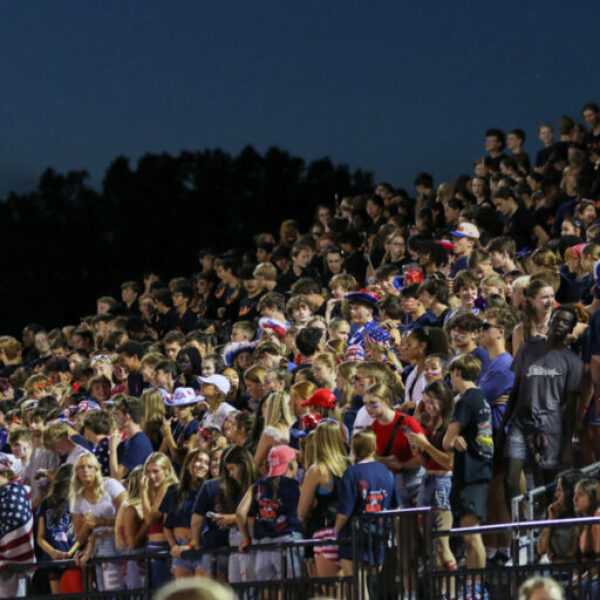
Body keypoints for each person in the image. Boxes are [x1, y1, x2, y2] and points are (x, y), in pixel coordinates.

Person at [502, 307, 584, 514]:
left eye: (566, 323)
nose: (560, 324)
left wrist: (566, 445)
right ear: (551, 320)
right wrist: (503, 424)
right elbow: (515, 389)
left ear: (570, 329)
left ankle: (547, 531)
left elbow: (571, 407)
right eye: (558, 319)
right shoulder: (528, 348)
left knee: (548, 484)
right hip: (521, 423)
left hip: (551, 427)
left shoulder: (574, 362)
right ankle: (520, 527)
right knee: (511, 478)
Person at [443, 354, 493, 573]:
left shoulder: (465, 401)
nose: (450, 381)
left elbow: (446, 441)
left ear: (457, 372)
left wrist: (452, 439)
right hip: (481, 469)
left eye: (451, 376)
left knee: (471, 536)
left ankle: (475, 587)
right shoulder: (481, 397)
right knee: (472, 535)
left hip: (470, 473)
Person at [406, 381, 456, 580]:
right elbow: (423, 461)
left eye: (430, 402)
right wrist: (415, 445)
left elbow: (449, 461)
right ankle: (441, 590)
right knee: (431, 545)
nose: (427, 407)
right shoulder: (432, 423)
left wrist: (425, 445)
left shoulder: (451, 425)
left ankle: (451, 590)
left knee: (441, 543)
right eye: (425, 402)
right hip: (427, 481)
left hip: (442, 482)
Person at [334, 429, 397, 576]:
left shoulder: (351, 473)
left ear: (354, 450)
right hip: (379, 535)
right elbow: (396, 507)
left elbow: (344, 513)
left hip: (354, 538)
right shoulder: (386, 472)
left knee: (358, 589)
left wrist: (334, 532)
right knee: (370, 585)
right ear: (374, 447)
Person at [236, 445, 303, 581]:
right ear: (291, 464)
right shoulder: (296, 487)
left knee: (268, 591)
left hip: (263, 547)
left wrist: (247, 538)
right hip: (288, 542)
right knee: (291, 591)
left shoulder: (258, 485)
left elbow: (239, 514)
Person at [298, 420, 350, 577]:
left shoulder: (317, 470)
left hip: (325, 534)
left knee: (330, 591)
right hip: (349, 533)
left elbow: (301, 512)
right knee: (351, 590)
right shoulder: (350, 465)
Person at [70, 451, 126, 592]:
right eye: (81, 467)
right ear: (76, 472)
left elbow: (128, 517)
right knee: (104, 591)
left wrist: (100, 522)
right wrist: (87, 525)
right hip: (95, 545)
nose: (85, 470)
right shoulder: (76, 498)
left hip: (116, 541)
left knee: (114, 591)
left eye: (90, 466)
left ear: (96, 469)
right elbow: (79, 536)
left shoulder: (111, 485)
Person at [364, 382, 424, 508]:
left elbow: (423, 455)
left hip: (415, 479)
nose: (368, 408)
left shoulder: (408, 422)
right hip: (393, 482)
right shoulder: (372, 428)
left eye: (373, 403)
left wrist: (401, 465)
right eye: (366, 404)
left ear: (386, 401)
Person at [162, 449, 210, 579]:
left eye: (206, 463)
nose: (202, 465)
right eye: (198, 460)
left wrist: (189, 545)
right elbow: (166, 525)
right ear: (188, 463)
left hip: (200, 547)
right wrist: (174, 547)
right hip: (179, 547)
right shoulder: (173, 490)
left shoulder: (209, 491)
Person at [36, 464, 79, 595]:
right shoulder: (46, 503)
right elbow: (40, 537)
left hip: (74, 559)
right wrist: (53, 552)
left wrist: (69, 554)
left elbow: (83, 534)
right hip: (52, 560)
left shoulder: (78, 501)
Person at [140, 452, 178, 588]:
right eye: (148, 472)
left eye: (156, 471)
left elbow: (150, 519)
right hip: (154, 549)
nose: (151, 476)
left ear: (167, 471)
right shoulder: (157, 490)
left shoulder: (167, 487)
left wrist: (143, 492)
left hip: (163, 548)